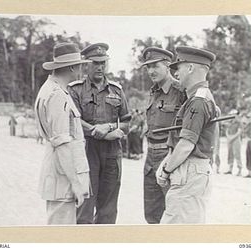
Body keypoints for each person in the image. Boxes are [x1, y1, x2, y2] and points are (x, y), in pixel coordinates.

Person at [68, 42, 131, 224]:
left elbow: (126, 120)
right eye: (95, 63)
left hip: (112, 152)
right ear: (86, 64)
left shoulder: (116, 90)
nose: (100, 67)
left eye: (103, 63)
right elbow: (73, 121)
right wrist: (96, 131)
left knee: (108, 211)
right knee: (85, 208)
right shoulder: (76, 90)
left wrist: (111, 129)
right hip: (87, 151)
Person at [156, 46, 217, 224]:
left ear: (190, 68)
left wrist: (166, 170)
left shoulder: (198, 101)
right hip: (191, 171)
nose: (176, 74)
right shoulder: (200, 97)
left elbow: (186, 145)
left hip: (189, 171)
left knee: (174, 234)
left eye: (179, 68)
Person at [34, 43, 91, 225]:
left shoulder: (51, 89)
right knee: (61, 235)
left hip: (59, 174)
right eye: (80, 65)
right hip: (63, 178)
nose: (82, 69)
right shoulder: (57, 95)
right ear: (73, 67)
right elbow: (62, 143)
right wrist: (75, 183)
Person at [140, 47, 186, 224]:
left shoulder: (181, 91)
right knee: (151, 214)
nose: (151, 71)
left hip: (170, 157)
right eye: (148, 67)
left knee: (173, 213)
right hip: (150, 158)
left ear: (168, 66)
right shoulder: (154, 91)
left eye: (155, 66)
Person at [224, 109, 243, 176]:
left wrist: (232, 137)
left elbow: (239, 131)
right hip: (230, 138)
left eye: (233, 114)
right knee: (230, 153)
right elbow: (227, 130)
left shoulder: (239, 122)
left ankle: (239, 170)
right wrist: (228, 136)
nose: (232, 115)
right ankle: (230, 169)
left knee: (237, 154)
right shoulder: (230, 122)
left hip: (236, 139)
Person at [244, 112, 251, 178]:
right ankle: (249, 173)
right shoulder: (249, 125)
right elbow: (245, 131)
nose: (248, 119)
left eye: (250, 117)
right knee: (249, 157)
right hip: (249, 141)